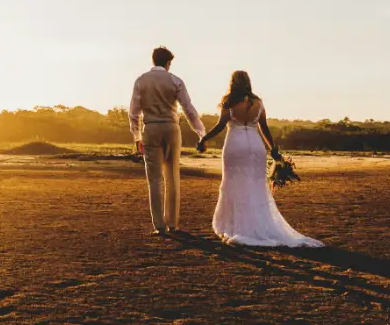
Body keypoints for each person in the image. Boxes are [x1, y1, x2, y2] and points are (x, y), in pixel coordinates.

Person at [197, 70, 323, 247]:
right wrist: (273, 150)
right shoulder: (258, 103)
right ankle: (257, 225)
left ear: (232, 83)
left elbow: (220, 126)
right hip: (256, 147)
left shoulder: (229, 101)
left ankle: (237, 227)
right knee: (255, 186)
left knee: (233, 184)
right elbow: (264, 127)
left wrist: (204, 139)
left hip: (235, 146)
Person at [128, 46, 205, 236]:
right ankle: (172, 223)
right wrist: (201, 132)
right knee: (172, 176)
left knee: (154, 179)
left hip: (151, 128)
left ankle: (159, 226)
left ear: (153, 60)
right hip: (172, 128)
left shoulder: (141, 80)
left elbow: (133, 113)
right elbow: (188, 109)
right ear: (168, 63)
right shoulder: (175, 80)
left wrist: (137, 136)